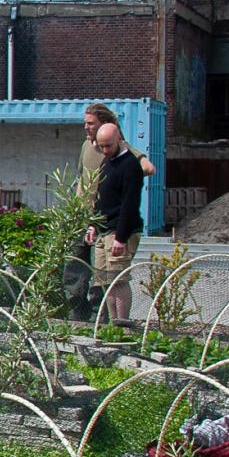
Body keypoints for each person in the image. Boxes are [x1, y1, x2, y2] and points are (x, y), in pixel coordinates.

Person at [65, 104, 156, 319]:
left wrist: (121, 176)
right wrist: (79, 210)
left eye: (91, 124)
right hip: (89, 220)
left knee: (112, 277)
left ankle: (107, 319)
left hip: (112, 223)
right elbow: (82, 179)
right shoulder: (88, 147)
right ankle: (77, 316)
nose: (86, 127)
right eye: (85, 123)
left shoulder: (121, 154)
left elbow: (148, 169)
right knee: (77, 268)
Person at [91, 123, 144, 326]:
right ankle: (114, 323)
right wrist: (92, 224)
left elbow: (130, 204)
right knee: (106, 280)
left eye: (108, 146)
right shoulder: (107, 162)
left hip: (120, 231)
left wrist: (121, 237)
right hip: (104, 228)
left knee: (118, 278)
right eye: (101, 146)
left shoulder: (130, 166)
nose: (105, 151)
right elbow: (100, 197)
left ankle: (123, 324)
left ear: (119, 139)